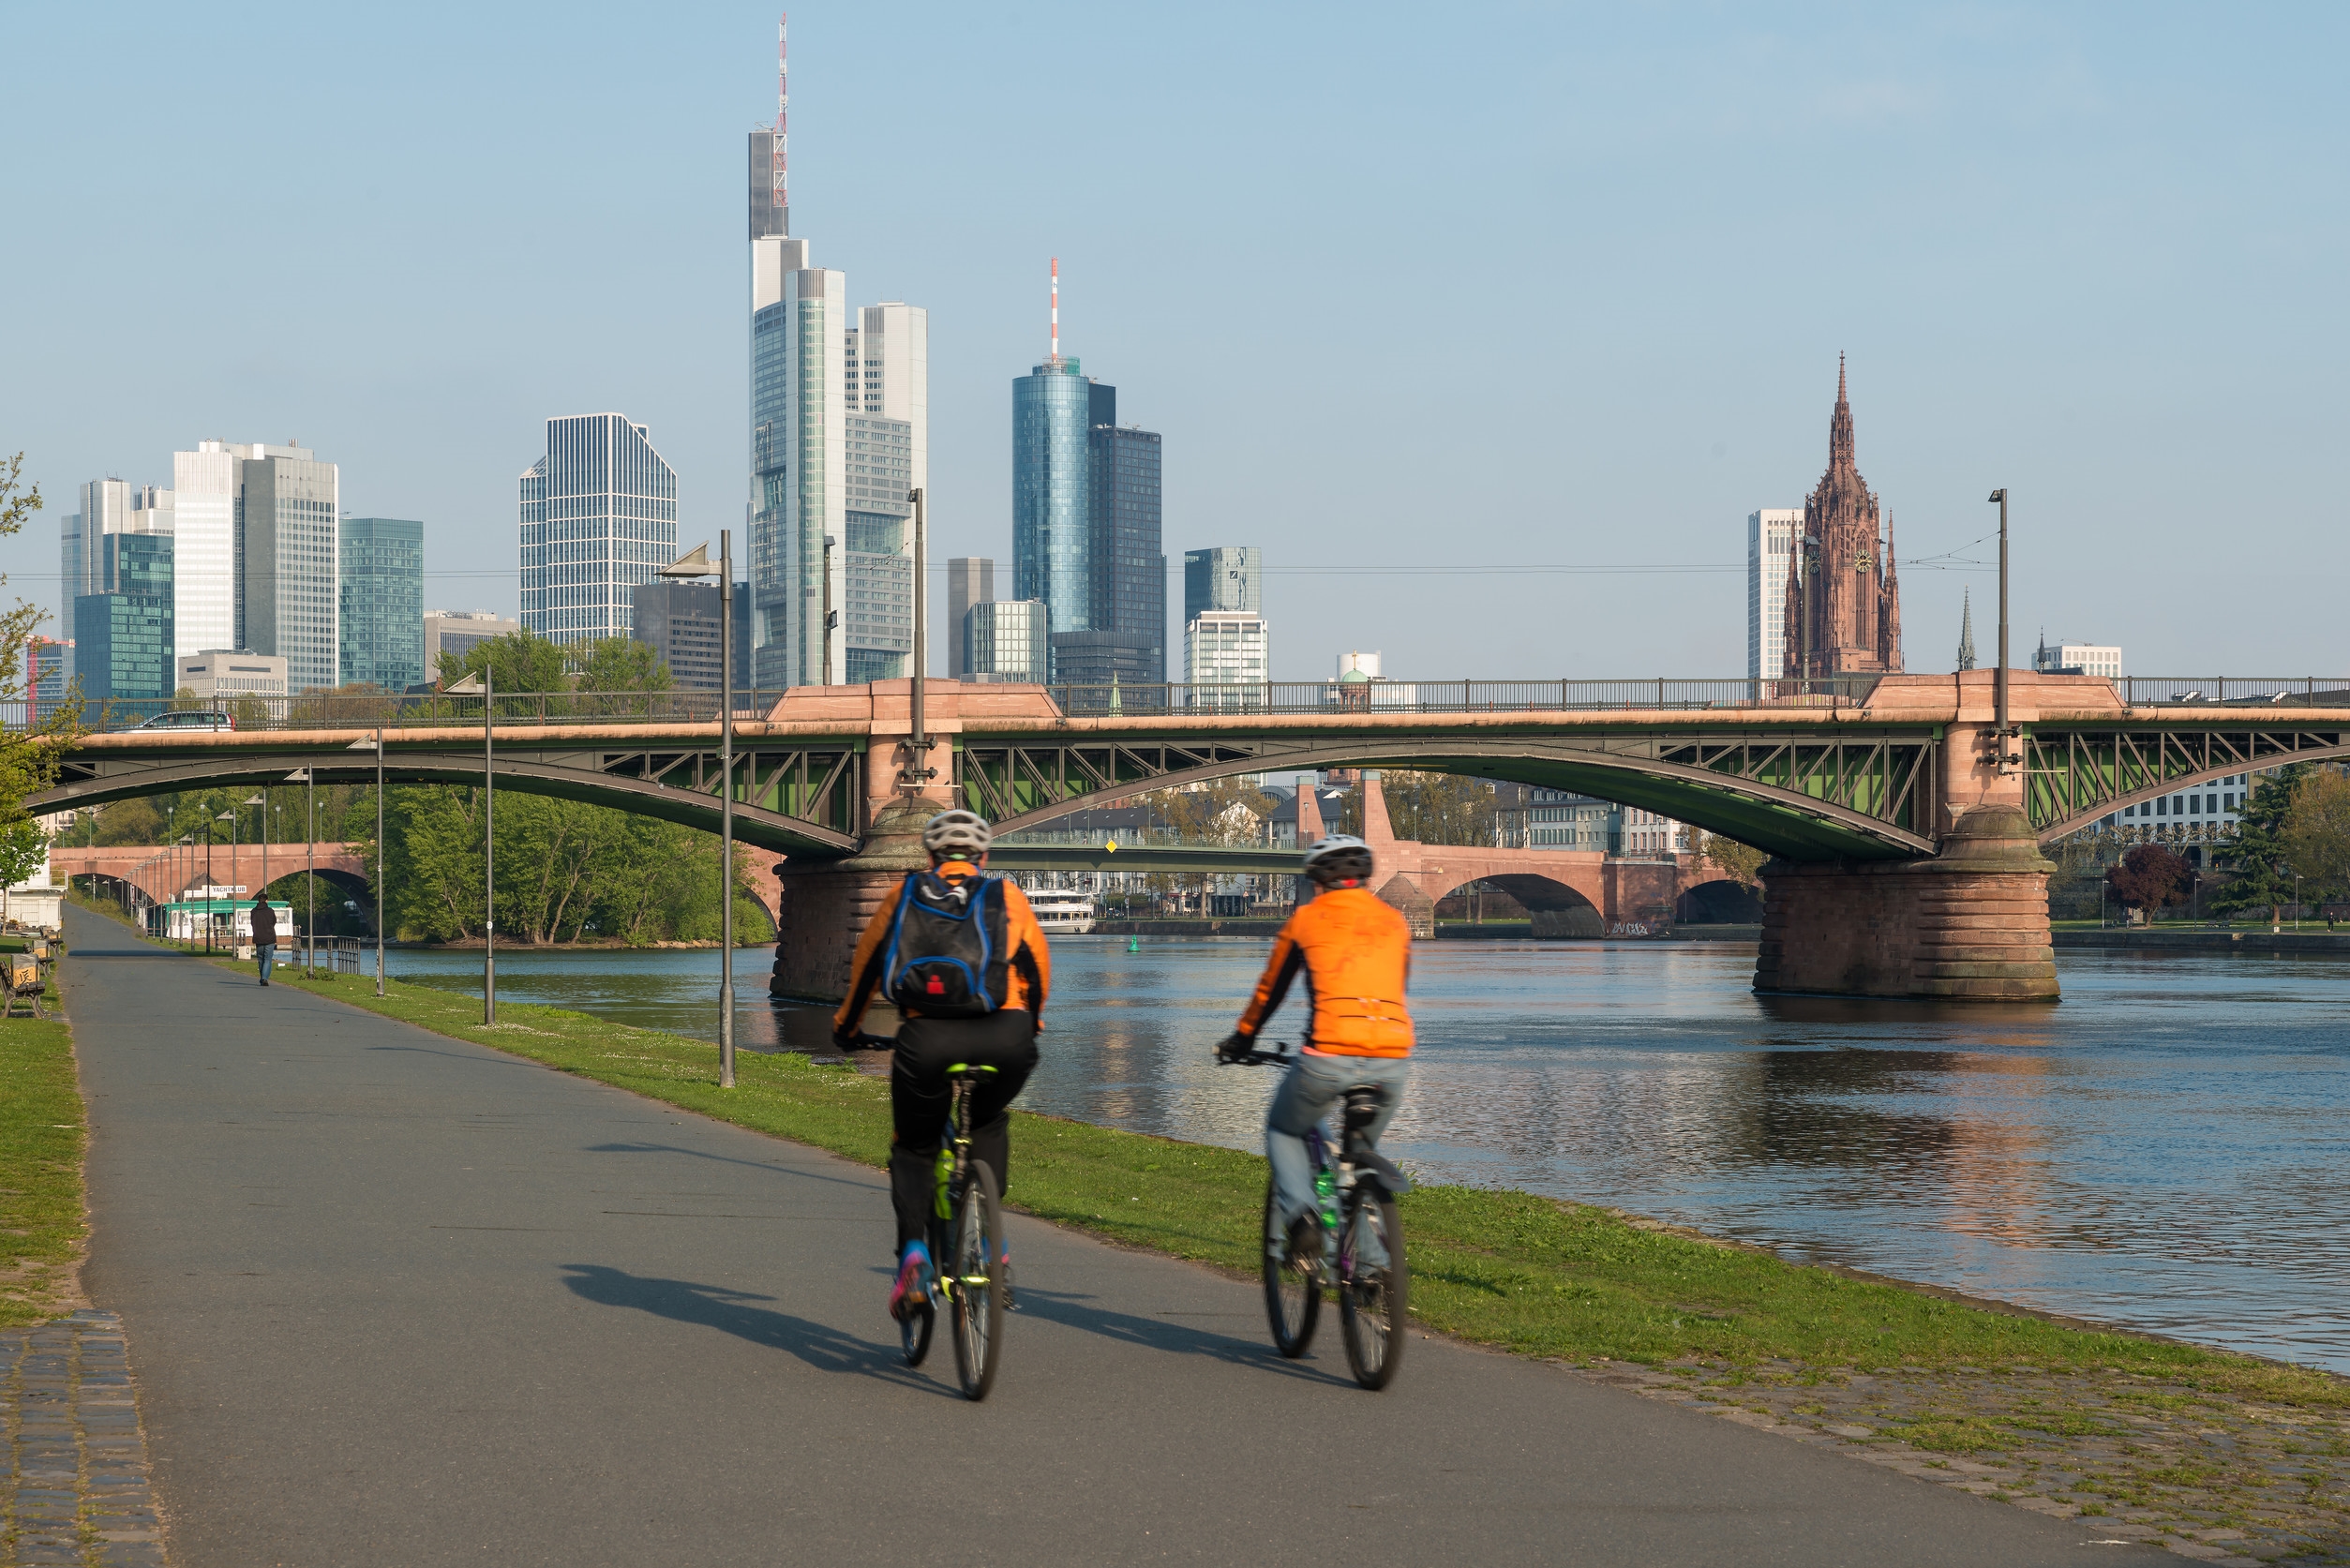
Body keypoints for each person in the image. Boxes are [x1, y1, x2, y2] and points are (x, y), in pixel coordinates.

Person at [833, 810, 1050, 1320]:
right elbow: (1036, 968)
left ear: (930, 859)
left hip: (926, 1039)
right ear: (983, 857)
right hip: (1005, 1036)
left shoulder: (905, 896)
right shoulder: (1008, 897)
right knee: (990, 1120)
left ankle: (913, 1255)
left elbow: (866, 968)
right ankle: (994, 1253)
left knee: (914, 1147)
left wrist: (846, 1029)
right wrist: (1031, 1024)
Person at [1218, 833, 1414, 1266]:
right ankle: (1371, 1270)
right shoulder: (1395, 921)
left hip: (1327, 1057)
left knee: (1284, 1129)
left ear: (1316, 880)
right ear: (1363, 876)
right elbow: (1397, 988)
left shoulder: (1306, 920)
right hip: (1392, 1060)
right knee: (1356, 1159)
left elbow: (1270, 991)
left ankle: (1302, 1217)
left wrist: (1241, 1039)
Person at [249, 892, 278, 987]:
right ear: (266, 900)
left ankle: (263, 977)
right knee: (267, 959)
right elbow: (274, 922)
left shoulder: (253, 911)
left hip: (258, 938)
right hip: (269, 937)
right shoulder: (270, 911)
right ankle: (264, 978)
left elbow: (252, 923)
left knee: (261, 959)